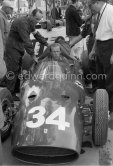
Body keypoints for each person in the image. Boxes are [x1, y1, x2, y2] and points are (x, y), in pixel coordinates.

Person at [0, 8, 48, 101]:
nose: (38, 22)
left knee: (18, 70)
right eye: (37, 19)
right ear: (31, 16)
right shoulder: (22, 23)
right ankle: (10, 93)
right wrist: (33, 56)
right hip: (12, 49)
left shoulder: (30, 22)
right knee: (12, 70)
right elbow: (27, 41)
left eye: (40, 19)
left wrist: (46, 43)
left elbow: (36, 34)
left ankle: (16, 89)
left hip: (18, 48)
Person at [89, 0, 113, 123]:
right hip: (100, 46)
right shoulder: (100, 12)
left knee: (109, 79)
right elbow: (98, 34)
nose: (91, 8)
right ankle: (101, 101)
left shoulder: (110, 11)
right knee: (100, 77)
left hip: (109, 46)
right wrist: (93, 49)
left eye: (91, 5)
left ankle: (108, 108)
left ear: (97, 2)